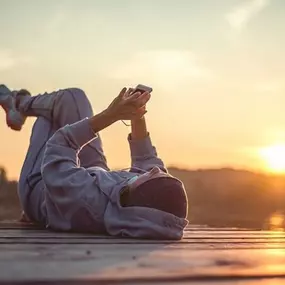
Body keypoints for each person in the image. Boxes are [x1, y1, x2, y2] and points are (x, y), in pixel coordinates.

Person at [0, 84, 188, 239]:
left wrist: (111, 114)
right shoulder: (143, 204)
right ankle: (20, 103)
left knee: (60, 105)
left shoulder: (85, 199)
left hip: (40, 184)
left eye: (153, 178)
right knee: (70, 100)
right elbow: (146, 157)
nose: (154, 172)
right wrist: (136, 113)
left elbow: (60, 143)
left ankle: (17, 103)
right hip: (91, 174)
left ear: (135, 196)